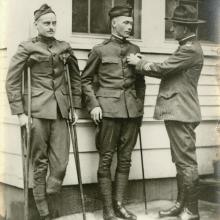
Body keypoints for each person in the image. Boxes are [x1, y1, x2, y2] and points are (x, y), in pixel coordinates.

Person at [127, 5, 205, 220]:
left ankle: (192, 210)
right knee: (180, 161)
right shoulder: (187, 46)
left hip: (181, 112)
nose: (171, 30)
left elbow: (163, 69)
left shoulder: (190, 49)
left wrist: (138, 63)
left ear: (184, 27)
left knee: (186, 163)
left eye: (174, 26)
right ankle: (181, 205)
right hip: (178, 112)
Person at [5, 4, 81, 220]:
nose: (51, 27)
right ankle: (45, 213)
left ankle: (47, 195)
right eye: (47, 23)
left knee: (60, 164)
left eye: (54, 23)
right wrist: (20, 113)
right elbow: (12, 81)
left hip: (60, 112)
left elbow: (75, 78)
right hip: (36, 112)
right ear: (36, 24)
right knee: (39, 163)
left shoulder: (65, 47)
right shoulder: (27, 48)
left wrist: (73, 106)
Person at [81, 5, 146, 220]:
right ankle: (107, 209)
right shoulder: (100, 50)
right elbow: (86, 80)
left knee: (125, 159)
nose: (130, 26)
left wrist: (139, 108)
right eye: (126, 22)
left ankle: (119, 205)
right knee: (106, 159)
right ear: (114, 23)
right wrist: (94, 105)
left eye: (131, 22)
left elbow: (140, 83)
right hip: (108, 113)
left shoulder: (135, 50)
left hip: (131, 114)